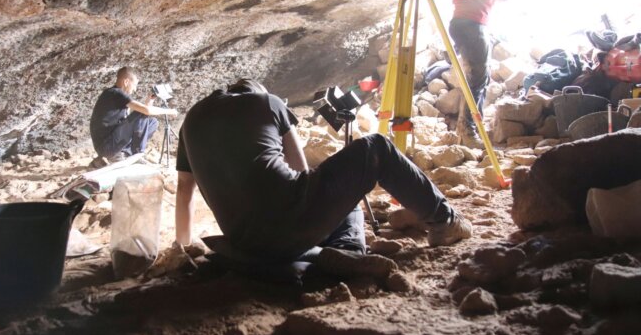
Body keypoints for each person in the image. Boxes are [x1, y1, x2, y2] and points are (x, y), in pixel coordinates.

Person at [174, 78, 471, 273]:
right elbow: (303, 170)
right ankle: (443, 221)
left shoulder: (191, 121)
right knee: (374, 149)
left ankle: (328, 255)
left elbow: (184, 192)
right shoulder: (268, 102)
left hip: (243, 242)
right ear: (257, 91)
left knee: (328, 194)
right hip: (288, 227)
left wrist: (184, 250)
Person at [449, 0, 509, 147]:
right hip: (469, 24)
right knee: (477, 78)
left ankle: (467, 128)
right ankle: (469, 130)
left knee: (478, 77)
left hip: (470, 23)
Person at [89, 66, 177, 164]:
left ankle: (126, 153)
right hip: (107, 146)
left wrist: (149, 101)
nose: (135, 89)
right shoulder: (116, 93)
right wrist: (170, 111)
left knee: (152, 122)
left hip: (111, 143)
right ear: (126, 82)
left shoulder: (114, 95)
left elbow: (140, 121)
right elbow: (145, 111)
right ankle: (136, 154)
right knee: (141, 113)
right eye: (134, 85)